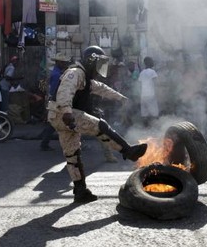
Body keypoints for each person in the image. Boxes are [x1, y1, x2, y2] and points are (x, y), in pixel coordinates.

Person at [47, 45, 148, 203]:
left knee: (73, 155)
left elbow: (102, 89)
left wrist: (121, 99)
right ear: (90, 61)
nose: (98, 69)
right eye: (97, 64)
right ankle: (128, 151)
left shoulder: (85, 77)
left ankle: (80, 191)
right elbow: (65, 90)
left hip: (59, 116)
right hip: (65, 114)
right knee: (101, 126)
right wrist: (67, 111)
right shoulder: (75, 73)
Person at [40, 52, 72, 151]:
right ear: (59, 62)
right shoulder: (57, 74)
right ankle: (44, 143)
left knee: (54, 123)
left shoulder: (57, 72)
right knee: (54, 123)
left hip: (57, 100)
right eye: (64, 63)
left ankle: (45, 142)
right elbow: (55, 90)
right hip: (57, 101)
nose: (65, 64)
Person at [138, 56, 159, 127]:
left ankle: (145, 129)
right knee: (154, 113)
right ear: (149, 63)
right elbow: (156, 83)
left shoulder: (142, 73)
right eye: (152, 61)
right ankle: (154, 128)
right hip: (151, 95)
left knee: (145, 114)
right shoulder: (152, 72)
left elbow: (140, 85)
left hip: (143, 95)